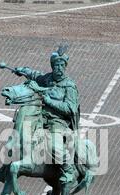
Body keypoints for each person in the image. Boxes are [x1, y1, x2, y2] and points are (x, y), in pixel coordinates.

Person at [14, 47, 80, 185]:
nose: (59, 68)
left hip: (58, 122)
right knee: (20, 132)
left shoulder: (69, 86)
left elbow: (71, 108)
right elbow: (36, 75)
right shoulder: (48, 79)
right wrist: (22, 70)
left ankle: (68, 169)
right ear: (52, 66)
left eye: (62, 65)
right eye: (56, 65)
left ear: (65, 67)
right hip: (41, 117)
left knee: (54, 146)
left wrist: (49, 101)